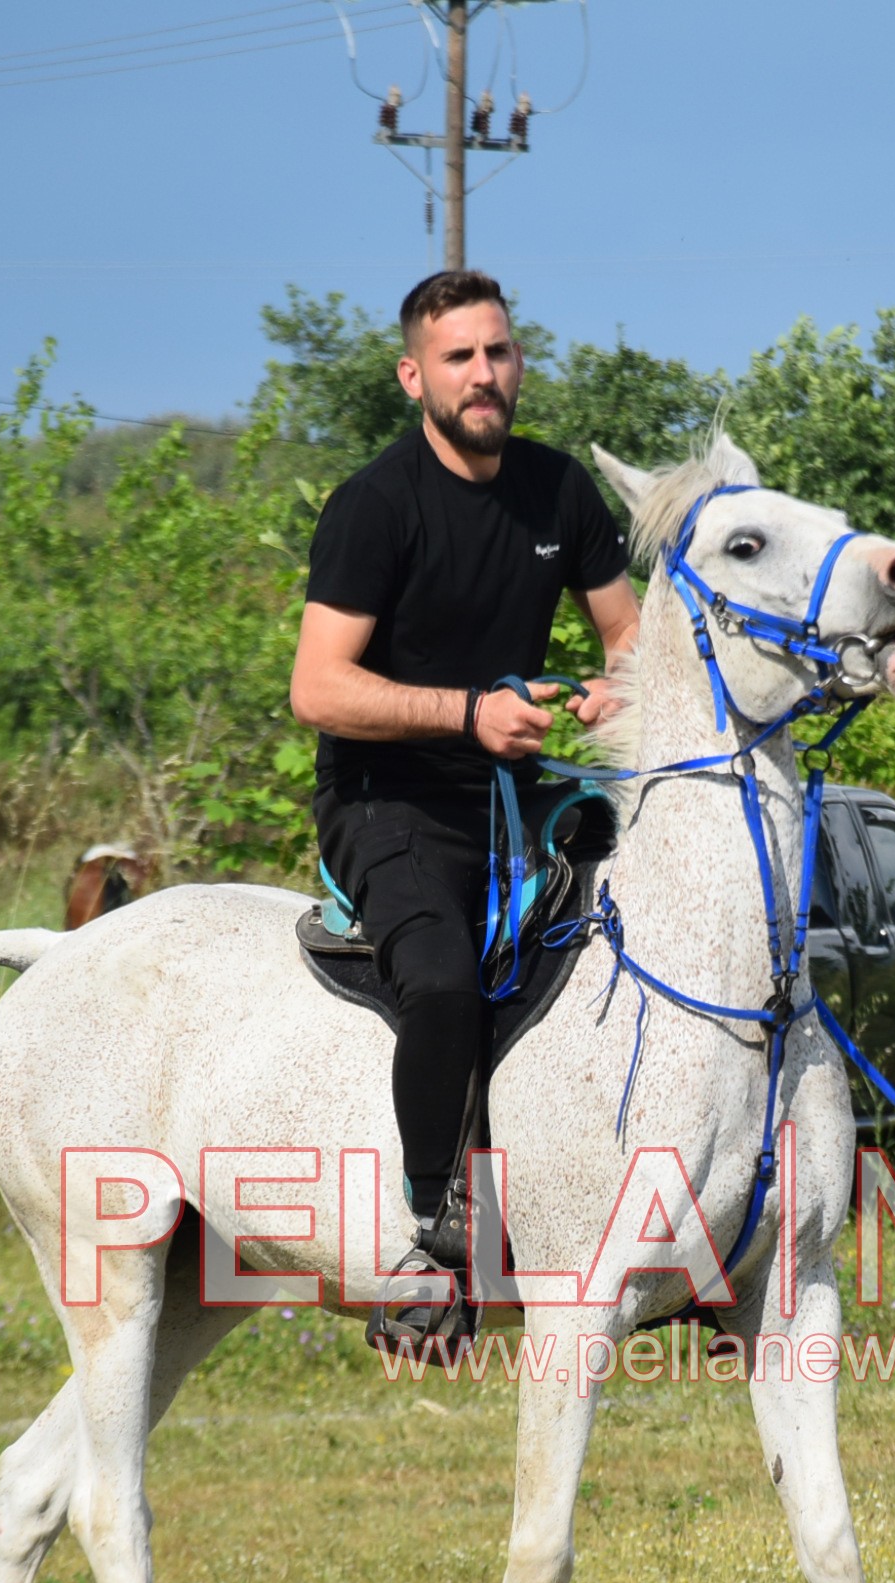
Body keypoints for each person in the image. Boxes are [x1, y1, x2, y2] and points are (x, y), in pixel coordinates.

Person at [290, 268, 640, 1352]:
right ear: (414, 377)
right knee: (440, 974)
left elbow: (627, 642)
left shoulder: (559, 491)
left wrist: (606, 691)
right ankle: (435, 1244)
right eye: (458, 357)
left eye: (496, 352)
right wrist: (467, 712)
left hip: (515, 794)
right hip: (384, 797)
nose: (482, 374)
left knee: (659, 908)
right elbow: (318, 686)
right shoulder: (373, 506)